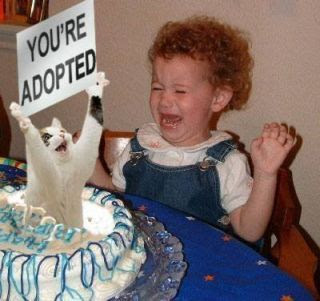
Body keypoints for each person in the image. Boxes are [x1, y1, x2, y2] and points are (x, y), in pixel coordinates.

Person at [90, 16, 295, 243]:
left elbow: (249, 231)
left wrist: (265, 174)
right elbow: (114, 199)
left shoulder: (227, 163)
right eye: (157, 87)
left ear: (217, 98)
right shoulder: (139, 148)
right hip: (141, 264)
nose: (165, 100)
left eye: (180, 91)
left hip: (205, 272)